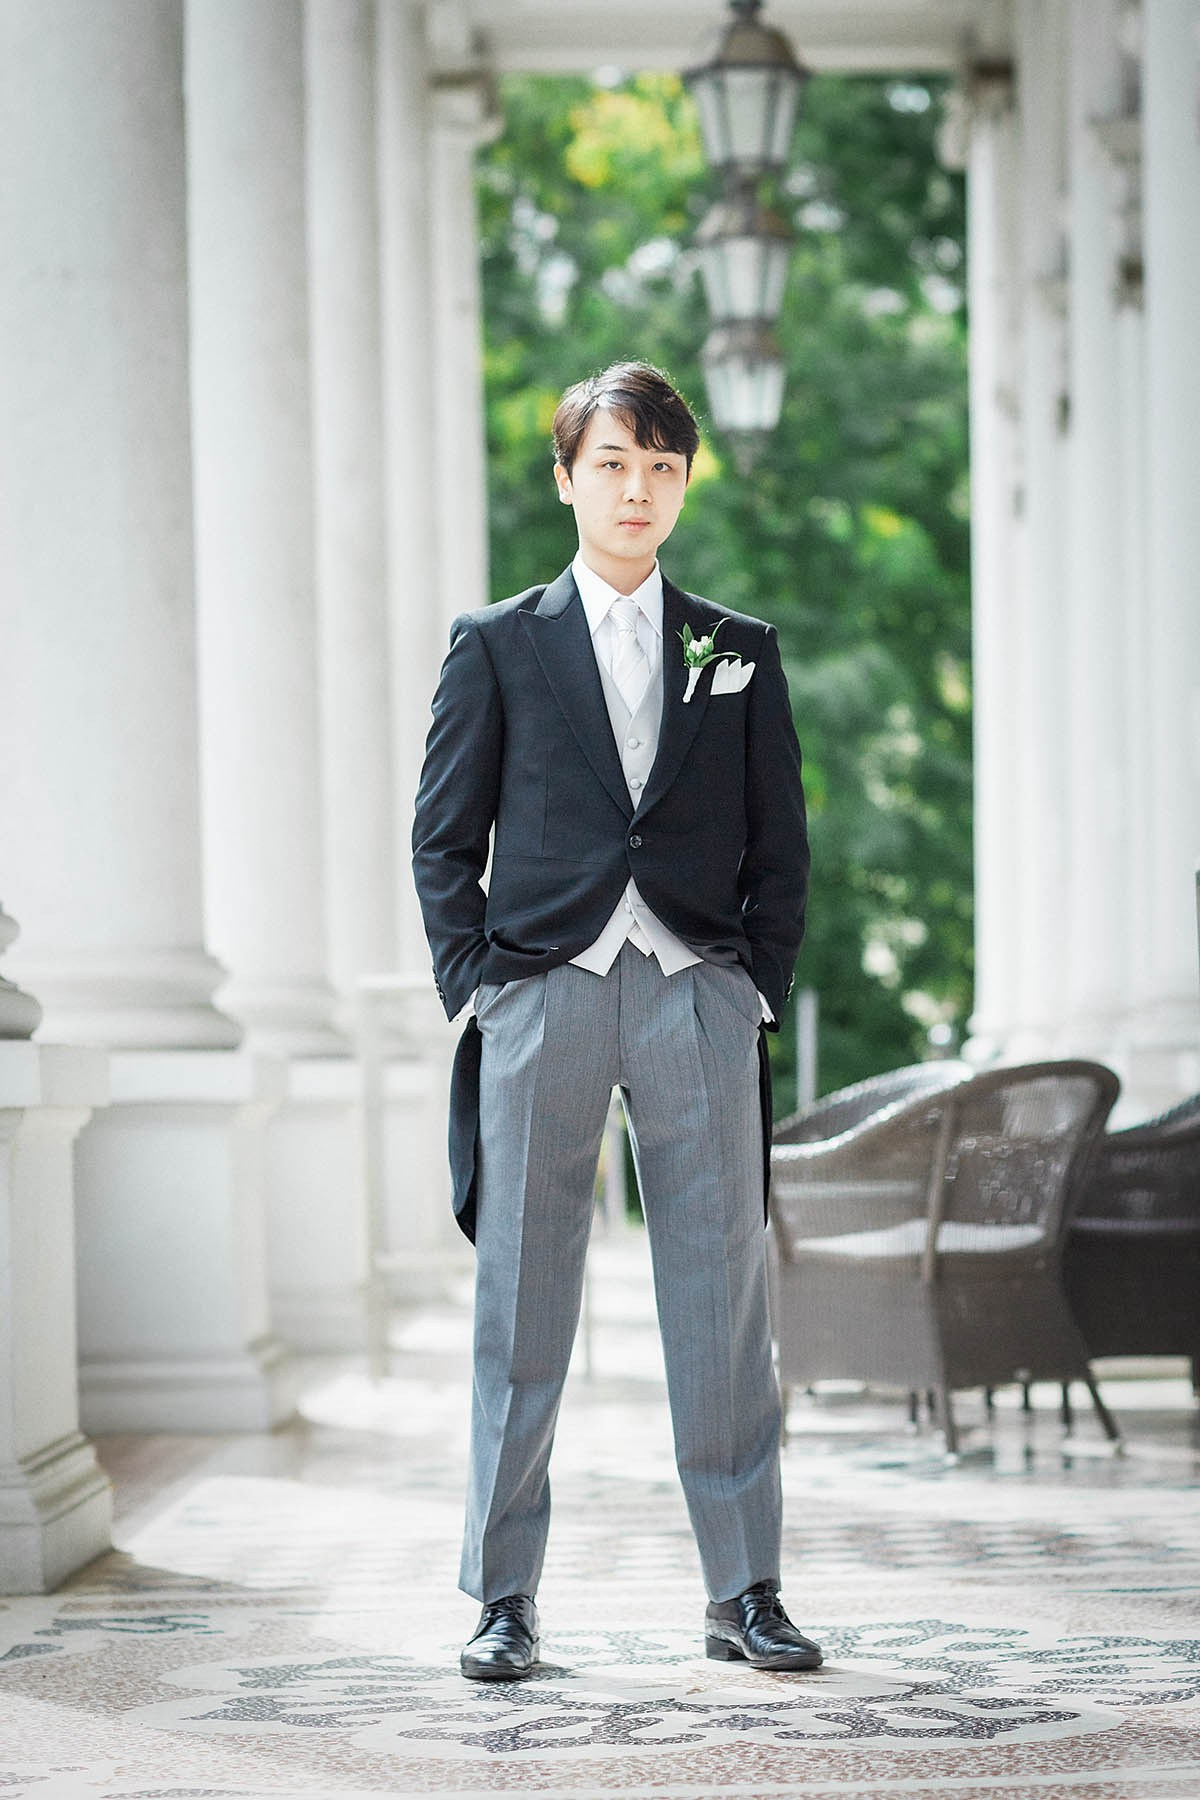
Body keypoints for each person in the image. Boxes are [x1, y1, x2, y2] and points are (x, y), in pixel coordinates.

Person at [412, 361, 818, 1682]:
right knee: (520, 1303)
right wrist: (482, 985)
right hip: (544, 991)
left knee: (722, 1300)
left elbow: (781, 842)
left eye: (662, 467)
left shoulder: (739, 649)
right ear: (567, 479)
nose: (637, 490)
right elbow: (441, 840)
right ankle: (503, 1597)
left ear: (684, 484)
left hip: (696, 991)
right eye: (613, 464)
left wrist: (753, 982)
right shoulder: (496, 644)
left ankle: (745, 1588)